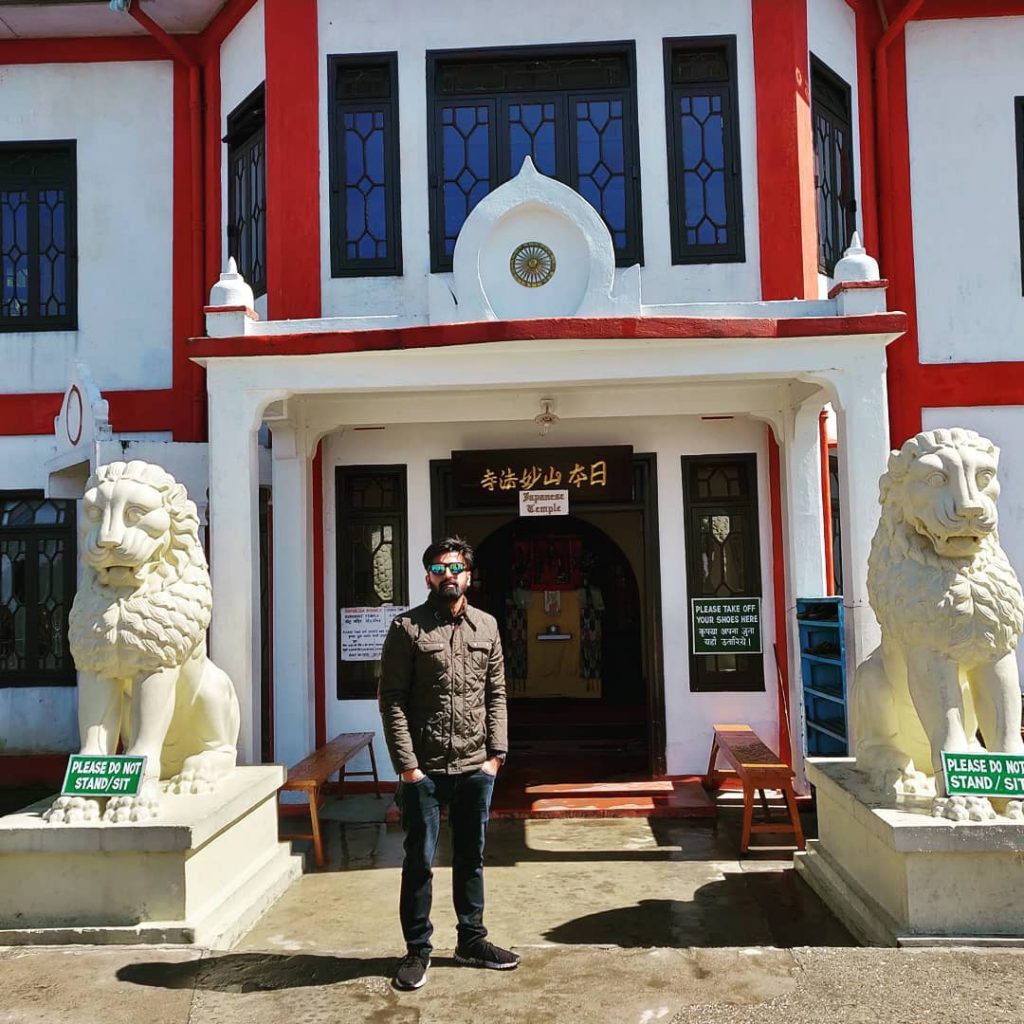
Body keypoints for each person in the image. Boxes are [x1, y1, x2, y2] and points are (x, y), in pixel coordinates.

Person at [379, 536, 519, 991]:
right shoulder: (407, 628)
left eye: (456, 568)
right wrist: (408, 768)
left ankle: (471, 940)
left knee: (471, 858)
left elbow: (496, 693)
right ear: (428, 577)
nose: (449, 576)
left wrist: (495, 757)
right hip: (425, 769)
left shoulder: (488, 627)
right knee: (419, 860)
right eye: (440, 569)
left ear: (469, 576)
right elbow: (392, 700)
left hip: (475, 766)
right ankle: (418, 949)